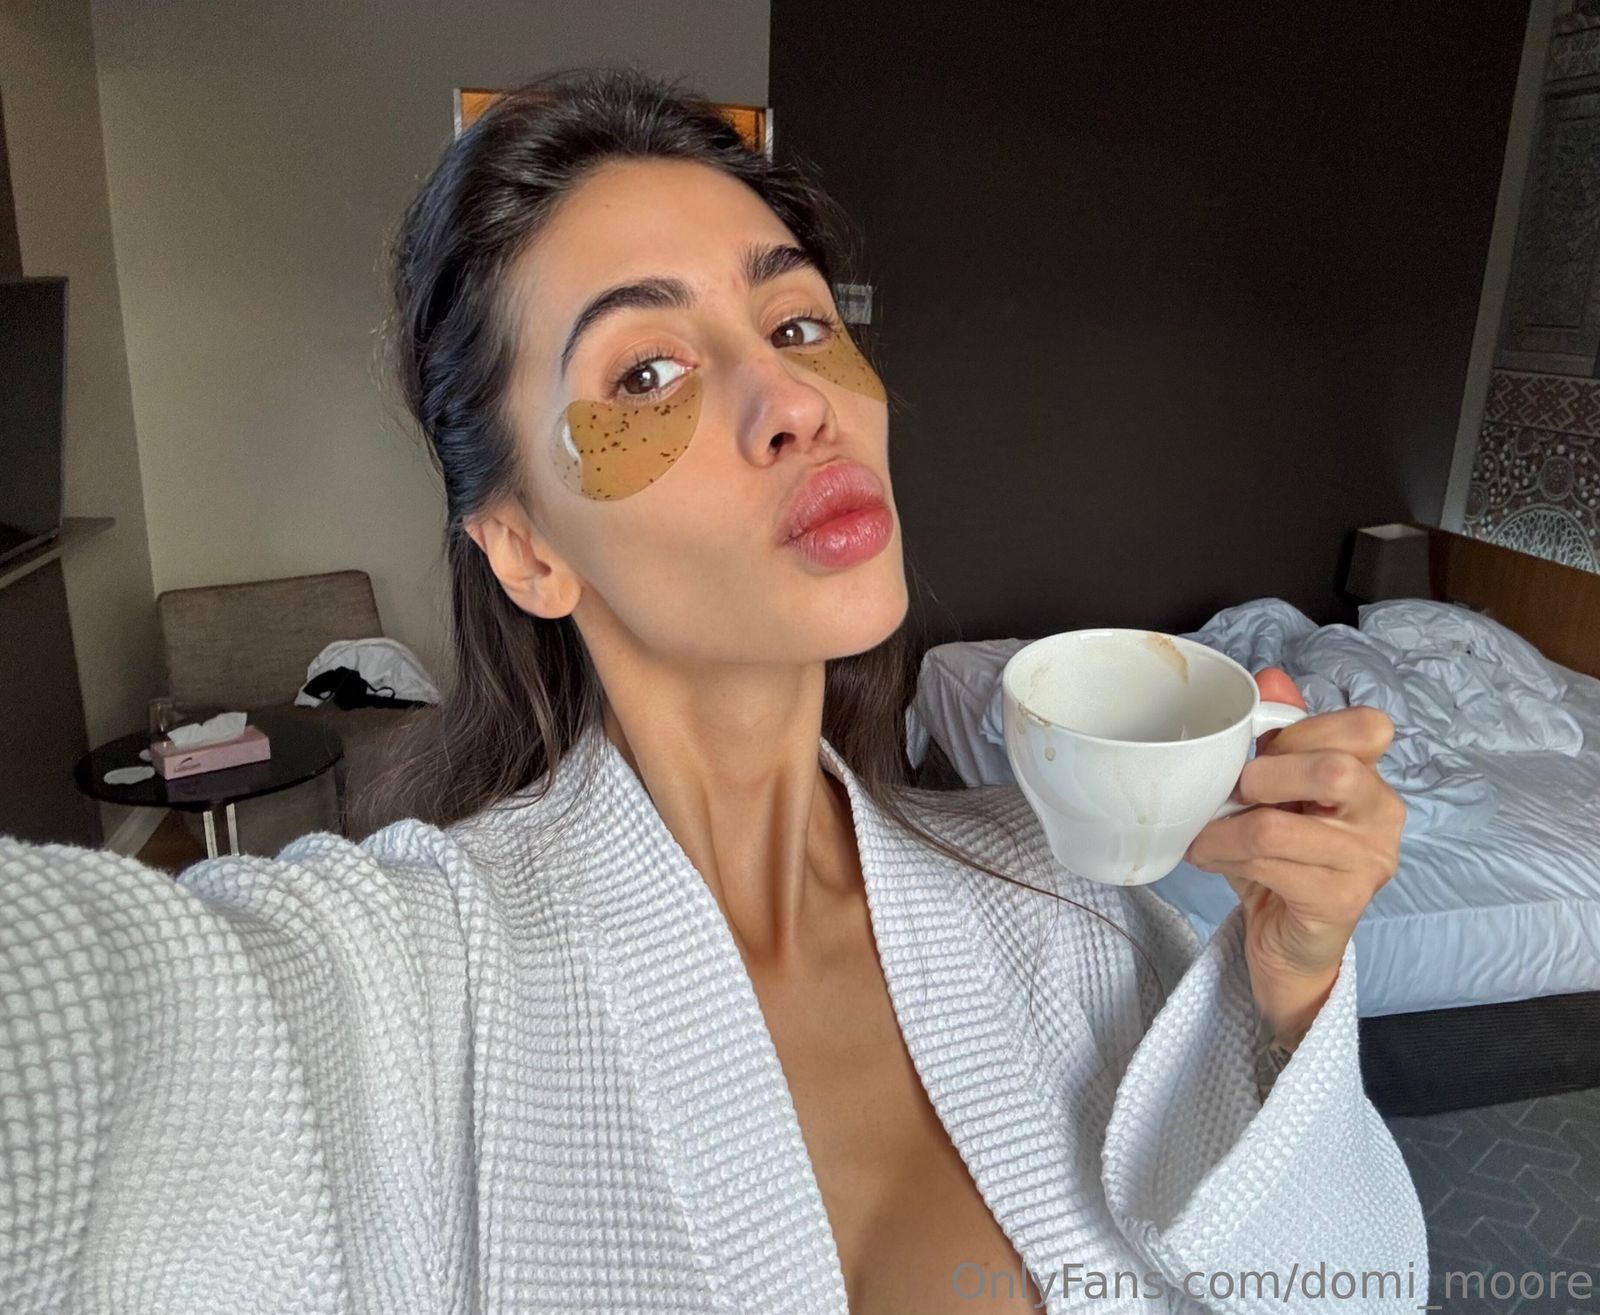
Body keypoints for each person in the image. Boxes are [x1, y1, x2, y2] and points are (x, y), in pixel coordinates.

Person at [0, 66, 1425, 1315]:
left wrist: (1289, 991)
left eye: (796, 324)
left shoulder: (1065, 909)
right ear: (528, 548)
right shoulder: (390, 993)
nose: (796, 401)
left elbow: (1350, 1291)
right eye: (647, 371)